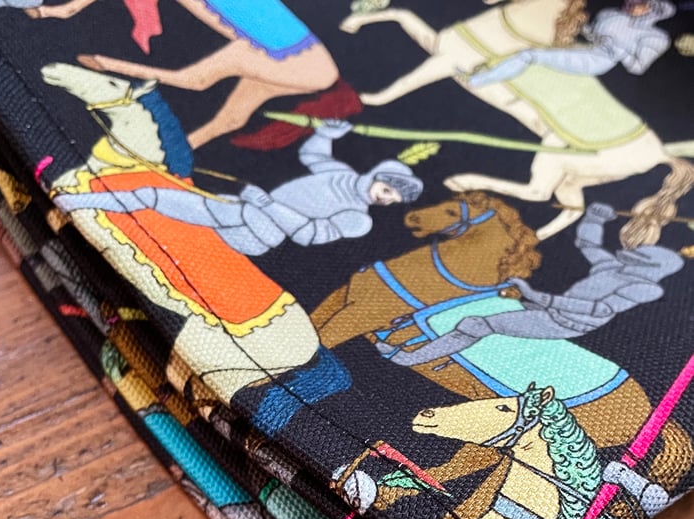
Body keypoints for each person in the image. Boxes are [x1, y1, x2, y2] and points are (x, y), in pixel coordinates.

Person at [378, 202, 684, 366]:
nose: (627, 258)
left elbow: (598, 308)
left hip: (564, 321)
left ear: (652, 269)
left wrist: (537, 296)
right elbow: (587, 243)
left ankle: (409, 358)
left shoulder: (647, 288)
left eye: (636, 260)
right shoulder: (613, 267)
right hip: (548, 309)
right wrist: (594, 218)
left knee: (477, 324)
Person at [54, 119, 424, 255]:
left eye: (394, 199)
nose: (387, 199)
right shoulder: (339, 172)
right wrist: (326, 133)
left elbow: (308, 235)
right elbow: (312, 153)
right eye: (390, 189)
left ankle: (81, 207)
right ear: (379, 174)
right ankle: (78, 202)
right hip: (244, 208)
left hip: (256, 233)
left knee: (162, 214)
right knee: (155, 198)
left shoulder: (359, 219)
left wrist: (267, 205)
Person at [468, 0, 676, 85]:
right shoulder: (611, 15)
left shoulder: (656, 37)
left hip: (599, 60)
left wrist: (619, 49)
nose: (634, 4)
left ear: (653, 9)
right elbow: (592, 34)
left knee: (529, 54)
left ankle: (478, 80)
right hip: (586, 47)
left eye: (642, 3)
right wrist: (578, 22)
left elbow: (638, 67)